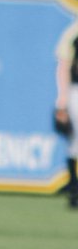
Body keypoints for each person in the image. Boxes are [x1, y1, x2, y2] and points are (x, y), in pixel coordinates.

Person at [55, 16, 78, 209]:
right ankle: (74, 188)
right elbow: (64, 66)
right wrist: (62, 99)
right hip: (76, 91)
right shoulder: (74, 32)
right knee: (75, 142)